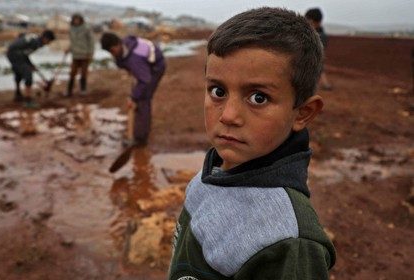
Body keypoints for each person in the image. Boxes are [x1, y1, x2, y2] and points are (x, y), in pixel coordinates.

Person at [168, 7, 336, 279]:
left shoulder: (287, 242)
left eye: (258, 97)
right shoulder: (212, 172)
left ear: (303, 113)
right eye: (218, 91)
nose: (228, 116)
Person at [100, 32, 166, 145]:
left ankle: (140, 139)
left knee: (143, 99)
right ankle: (138, 130)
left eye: (112, 51)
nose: (112, 54)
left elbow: (145, 80)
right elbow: (125, 63)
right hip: (145, 67)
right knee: (139, 95)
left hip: (156, 67)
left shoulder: (134, 58)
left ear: (117, 44)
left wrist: (133, 97)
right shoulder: (124, 47)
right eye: (110, 52)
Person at [6, 30, 55, 107]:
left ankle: (18, 95)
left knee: (18, 73)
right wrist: (29, 66)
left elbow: (25, 53)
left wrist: (31, 64)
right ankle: (28, 100)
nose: (48, 44)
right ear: (46, 38)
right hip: (15, 54)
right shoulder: (36, 43)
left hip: (12, 53)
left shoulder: (35, 39)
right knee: (28, 74)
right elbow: (23, 54)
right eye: (49, 41)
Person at [65, 13, 95, 97]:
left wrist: (90, 53)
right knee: (72, 72)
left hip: (85, 54)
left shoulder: (86, 28)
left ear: (81, 20)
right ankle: (69, 91)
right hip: (75, 55)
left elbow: (91, 42)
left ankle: (83, 90)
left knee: (84, 72)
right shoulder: (72, 29)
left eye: (78, 19)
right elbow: (73, 42)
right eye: (75, 19)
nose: (76, 21)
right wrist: (69, 49)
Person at [306, 7, 333, 90]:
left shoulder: (321, 35)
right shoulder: (312, 31)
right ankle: (325, 84)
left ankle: (324, 85)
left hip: (313, 55)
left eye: (310, 21)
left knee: (317, 68)